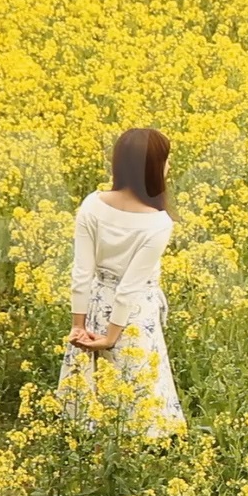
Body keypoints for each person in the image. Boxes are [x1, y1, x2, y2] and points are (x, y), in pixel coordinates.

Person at [56, 127, 186, 438]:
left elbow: (81, 272)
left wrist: (79, 326)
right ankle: (136, 456)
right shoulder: (158, 223)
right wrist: (112, 338)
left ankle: (89, 446)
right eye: (166, 160)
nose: (169, 166)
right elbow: (130, 287)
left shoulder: (92, 204)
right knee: (135, 387)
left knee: (94, 389)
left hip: (96, 304)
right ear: (153, 167)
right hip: (133, 316)